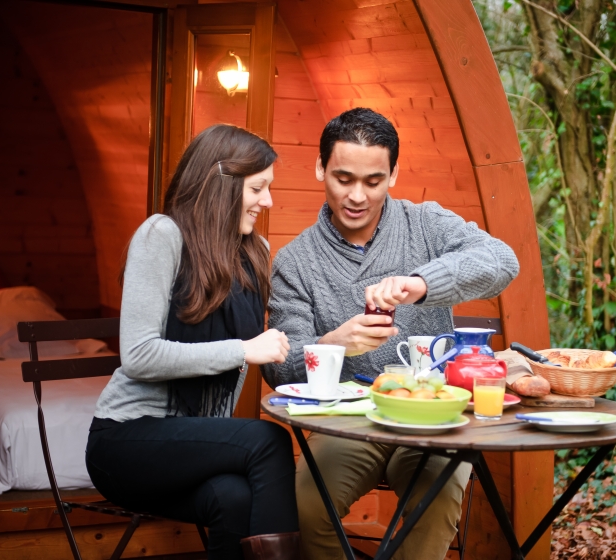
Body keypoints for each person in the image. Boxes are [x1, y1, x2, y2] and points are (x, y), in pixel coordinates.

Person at [263, 108, 519, 559]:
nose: (357, 195)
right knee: (306, 502)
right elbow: (279, 368)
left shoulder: (425, 224)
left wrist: (421, 284)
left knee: (439, 495)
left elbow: (502, 262)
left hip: (429, 417)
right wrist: (333, 343)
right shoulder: (295, 261)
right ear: (320, 168)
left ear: (394, 174)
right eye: (343, 178)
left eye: (373, 181)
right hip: (346, 421)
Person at [86, 124, 300, 560]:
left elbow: (275, 343)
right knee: (269, 442)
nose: (269, 201)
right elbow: (140, 354)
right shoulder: (161, 235)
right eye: (258, 188)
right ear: (222, 182)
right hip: (125, 439)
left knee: (233, 499)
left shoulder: (253, 252)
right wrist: (242, 350)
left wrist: (338, 341)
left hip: (188, 443)